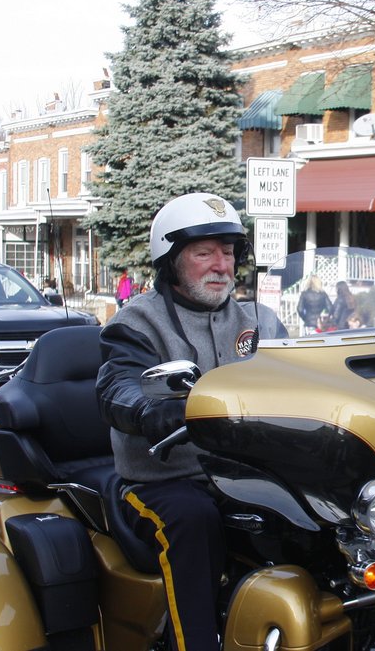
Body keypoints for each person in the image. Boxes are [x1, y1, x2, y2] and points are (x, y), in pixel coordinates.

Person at [96, 192, 286, 651]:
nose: (220, 264)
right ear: (171, 260)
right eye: (204, 252)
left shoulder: (258, 320)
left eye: (228, 251)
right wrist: (147, 408)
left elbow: (304, 370)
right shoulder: (137, 322)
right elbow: (117, 384)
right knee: (192, 520)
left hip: (248, 473)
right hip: (165, 479)